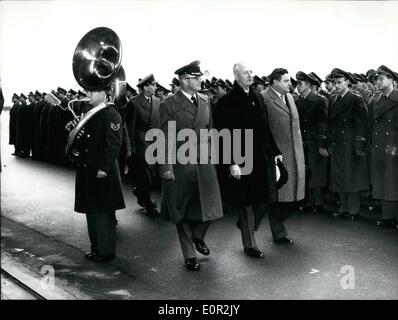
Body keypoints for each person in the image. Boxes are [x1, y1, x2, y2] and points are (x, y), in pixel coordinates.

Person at [158, 61, 223, 271]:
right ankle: (189, 255)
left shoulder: (206, 100)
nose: (201, 81)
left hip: (204, 162)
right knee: (182, 210)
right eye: (197, 78)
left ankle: (198, 236)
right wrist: (166, 167)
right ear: (184, 80)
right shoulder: (168, 104)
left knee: (211, 207)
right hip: (181, 163)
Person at [214, 63, 283, 258]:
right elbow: (223, 135)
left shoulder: (257, 97)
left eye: (251, 72)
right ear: (236, 76)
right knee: (246, 202)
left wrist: (275, 151)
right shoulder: (226, 101)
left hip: (262, 157)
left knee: (264, 198)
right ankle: (249, 244)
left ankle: (245, 225)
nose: (250, 75)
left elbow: (265, 127)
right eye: (246, 73)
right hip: (242, 159)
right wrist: (231, 162)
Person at [70, 85, 125, 262]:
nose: (88, 94)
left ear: (104, 93)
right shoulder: (92, 113)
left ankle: (106, 251)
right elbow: (87, 139)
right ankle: (96, 249)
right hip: (89, 169)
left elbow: (113, 143)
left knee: (103, 213)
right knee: (92, 212)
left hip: (102, 171)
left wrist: (105, 167)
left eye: (91, 91)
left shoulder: (110, 113)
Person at [261, 68, 306, 244]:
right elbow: (263, 128)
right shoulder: (264, 98)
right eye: (286, 81)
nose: (290, 84)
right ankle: (278, 232)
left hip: (295, 153)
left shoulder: (288, 97)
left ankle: (262, 222)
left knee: (293, 196)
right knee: (278, 196)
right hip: (277, 155)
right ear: (275, 81)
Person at [328, 68, 370, 220]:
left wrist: (359, 146)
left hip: (351, 145)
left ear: (347, 82)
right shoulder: (333, 99)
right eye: (335, 83)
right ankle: (343, 208)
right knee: (339, 177)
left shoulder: (356, 99)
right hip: (338, 144)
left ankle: (353, 210)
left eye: (339, 82)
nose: (337, 85)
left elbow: (363, 125)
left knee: (352, 178)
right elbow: (330, 123)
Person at [126, 74, 160, 217]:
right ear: (145, 87)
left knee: (152, 173)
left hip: (155, 142)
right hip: (141, 143)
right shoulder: (134, 103)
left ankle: (139, 190)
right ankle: (149, 206)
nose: (155, 87)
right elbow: (130, 127)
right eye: (153, 85)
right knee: (146, 175)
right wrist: (131, 147)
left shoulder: (157, 101)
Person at [368, 65, 398, 229]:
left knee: (394, 182)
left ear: (392, 80)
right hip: (380, 149)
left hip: (393, 149)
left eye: (381, 79)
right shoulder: (377, 101)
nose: (377, 82)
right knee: (385, 183)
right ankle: (388, 217)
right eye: (376, 79)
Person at [295, 71, 329, 213]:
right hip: (304, 142)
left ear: (309, 85)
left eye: (300, 84)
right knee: (307, 171)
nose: (298, 87)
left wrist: (322, 143)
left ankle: (318, 202)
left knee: (316, 172)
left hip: (315, 141)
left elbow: (324, 123)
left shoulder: (320, 100)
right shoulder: (298, 102)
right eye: (297, 84)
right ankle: (309, 201)